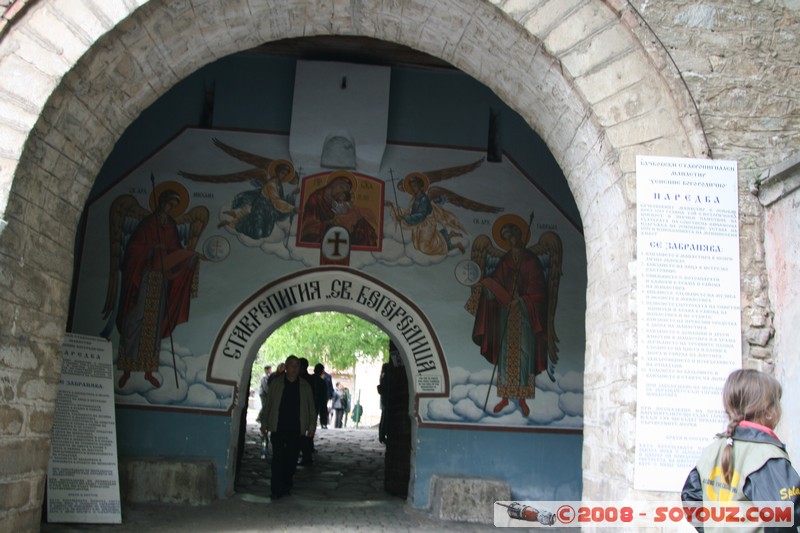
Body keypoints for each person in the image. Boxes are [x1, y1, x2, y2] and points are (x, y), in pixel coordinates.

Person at [681, 369, 800, 531]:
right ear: (769, 411)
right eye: (778, 403)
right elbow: (786, 513)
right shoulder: (766, 456)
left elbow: (690, 498)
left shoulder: (713, 450)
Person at [116, 189, 200, 389]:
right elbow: (133, 249)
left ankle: (148, 371)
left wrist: (186, 258)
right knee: (135, 317)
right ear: (160, 203)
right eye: (167, 204)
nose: (169, 209)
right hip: (144, 277)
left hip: (162, 281)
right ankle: (126, 369)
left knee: (153, 324)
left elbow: (175, 249)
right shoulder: (147, 224)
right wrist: (152, 249)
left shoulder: (170, 225)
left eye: (173, 206)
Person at [470, 219, 548, 418]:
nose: (510, 240)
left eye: (512, 235)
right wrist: (488, 287)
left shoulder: (531, 260)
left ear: (519, 235)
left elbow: (539, 290)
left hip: (525, 317)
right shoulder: (506, 260)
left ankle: (522, 399)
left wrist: (522, 300)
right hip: (506, 314)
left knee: (524, 356)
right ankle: (504, 397)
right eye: (506, 238)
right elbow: (497, 281)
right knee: (505, 357)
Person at [260, 355, 316, 499]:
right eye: (291, 365)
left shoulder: (304, 386)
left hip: (296, 429)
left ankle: (286, 484)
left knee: (291, 460)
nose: (294, 368)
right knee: (278, 459)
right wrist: (264, 423)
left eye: (296, 365)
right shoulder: (276, 384)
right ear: (286, 366)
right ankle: (276, 489)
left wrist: (311, 425)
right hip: (278, 427)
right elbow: (268, 405)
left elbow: (311, 408)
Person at [385, 172, 466, 255]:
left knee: (425, 247)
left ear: (420, 186)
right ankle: (450, 235)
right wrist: (392, 205)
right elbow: (410, 212)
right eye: (412, 187)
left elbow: (421, 215)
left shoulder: (424, 199)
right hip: (420, 223)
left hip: (427, 223)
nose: (413, 189)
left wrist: (404, 218)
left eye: (415, 186)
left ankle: (456, 245)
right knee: (418, 246)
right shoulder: (415, 198)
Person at [300, 173, 378, 246]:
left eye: (345, 192)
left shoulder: (338, 201)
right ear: (333, 184)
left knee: (362, 223)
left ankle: (366, 251)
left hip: (340, 230)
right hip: (321, 233)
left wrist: (350, 221)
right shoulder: (316, 198)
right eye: (341, 187)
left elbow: (347, 212)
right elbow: (308, 227)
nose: (342, 192)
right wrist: (331, 223)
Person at [297, 358, 315, 465]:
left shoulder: (303, 380)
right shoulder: (309, 379)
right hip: (306, 411)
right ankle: (306, 456)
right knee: (303, 436)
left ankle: (306, 457)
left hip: (303, 411)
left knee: (302, 436)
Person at [312, 364, 330, 429]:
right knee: (322, 411)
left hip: (313, 399)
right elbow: (325, 392)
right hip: (320, 399)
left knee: (313, 412)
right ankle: (323, 424)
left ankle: (313, 423)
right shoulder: (322, 381)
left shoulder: (311, 378)